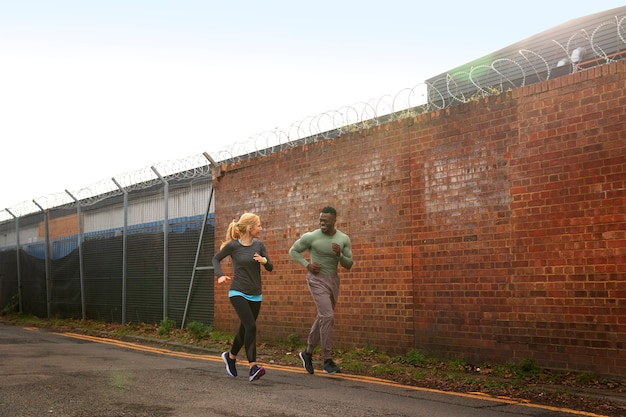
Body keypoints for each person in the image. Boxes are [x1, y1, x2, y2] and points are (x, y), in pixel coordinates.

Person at [288, 206, 353, 374]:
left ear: (334, 221)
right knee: (328, 316)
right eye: (321, 220)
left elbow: (349, 264)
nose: (322, 223)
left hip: (333, 280)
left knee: (323, 317)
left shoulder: (343, 238)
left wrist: (340, 255)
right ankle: (327, 359)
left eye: (326, 221)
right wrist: (307, 265)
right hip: (316, 279)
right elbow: (293, 251)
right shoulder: (311, 237)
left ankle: (307, 352)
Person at [212, 213, 273, 382]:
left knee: (244, 329)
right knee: (251, 326)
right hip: (237, 292)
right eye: (259, 225)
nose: (261, 228)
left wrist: (264, 261)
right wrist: (220, 275)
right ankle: (253, 366)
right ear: (249, 228)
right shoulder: (233, 246)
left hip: (256, 294)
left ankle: (230, 357)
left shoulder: (259, 245)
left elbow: (271, 267)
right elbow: (216, 259)